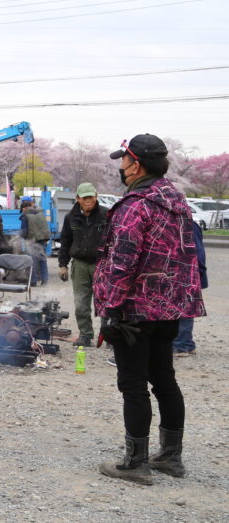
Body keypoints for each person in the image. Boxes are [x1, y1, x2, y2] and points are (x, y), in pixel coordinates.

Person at [94, 133, 206, 484]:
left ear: (136, 164)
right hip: (170, 308)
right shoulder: (177, 202)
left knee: (133, 385)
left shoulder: (135, 206)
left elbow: (121, 263)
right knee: (165, 380)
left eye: (123, 161)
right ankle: (171, 457)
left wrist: (111, 310)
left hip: (135, 311)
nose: (121, 168)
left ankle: (135, 463)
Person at [57, 183, 109, 347]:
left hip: (102, 264)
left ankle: (108, 336)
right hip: (79, 264)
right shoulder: (70, 217)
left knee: (106, 302)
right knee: (80, 302)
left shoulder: (106, 215)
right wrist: (63, 264)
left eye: (91, 197)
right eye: (84, 197)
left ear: (96, 196)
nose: (88, 201)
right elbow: (65, 242)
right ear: (78, 198)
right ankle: (85, 335)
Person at [173, 220, 207, 357]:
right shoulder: (189, 223)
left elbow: (198, 254)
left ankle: (181, 345)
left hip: (186, 271)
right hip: (187, 271)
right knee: (184, 307)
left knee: (183, 308)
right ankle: (186, 343)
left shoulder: (188, 225)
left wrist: (199, 272)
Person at [19, 196, 51, 285]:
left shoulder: (25, 216)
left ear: (25, 208)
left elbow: (24, 231)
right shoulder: (40, 214)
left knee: (31, 260)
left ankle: (33, 281)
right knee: (42, 259)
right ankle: (45, 280)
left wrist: (20, 237)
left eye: (22, 209)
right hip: (43, 239)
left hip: (32, 240)